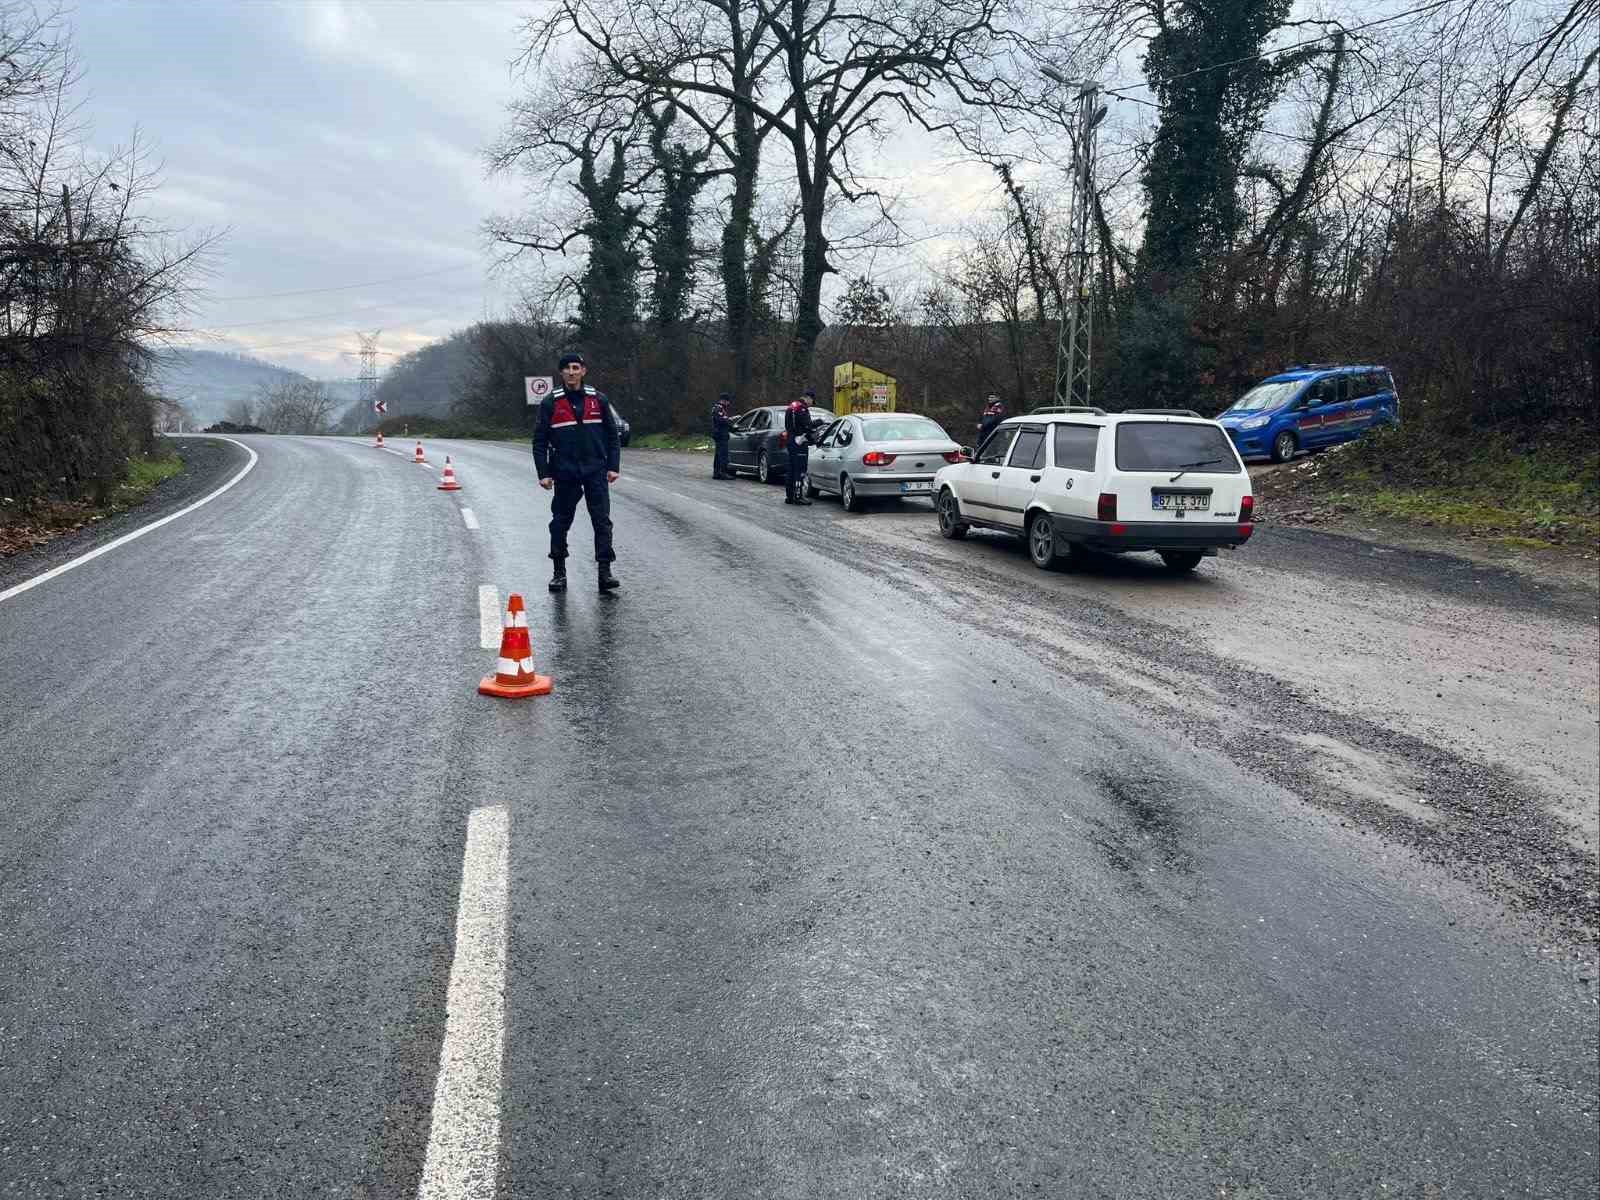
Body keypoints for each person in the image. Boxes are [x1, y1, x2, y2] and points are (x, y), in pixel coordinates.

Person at [532, 352, 622, 593]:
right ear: (561, 373)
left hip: (595, 469)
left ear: (583, 371)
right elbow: (539, 442)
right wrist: (543, 473)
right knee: (560, 522)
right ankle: (559, 573)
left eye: (575, 367)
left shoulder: (598, 399)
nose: (571, 372)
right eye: (567, 368)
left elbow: (612, 436)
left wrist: (613, 466)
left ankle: (605, 573)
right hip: (565, 471)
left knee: (602, 521)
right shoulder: (550, 403)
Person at [784, 388, 820, 505]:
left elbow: (789, 425)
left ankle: (790, 496)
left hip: (791, 440)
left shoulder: (792, 406)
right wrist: (818, 422)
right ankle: (798, 496)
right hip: (799, 442)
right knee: (800, 469)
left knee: (791, 469)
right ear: (808, 398)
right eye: (812, 401)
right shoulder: (802, 408)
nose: (811, 404)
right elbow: (808, 426)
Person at [711, 393, 736, 479]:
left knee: (718, 454)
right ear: (724, 400)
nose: (729, 403)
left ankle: (716, 473)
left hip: (718, 434)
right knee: (723, 454)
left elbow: (723, 420)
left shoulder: (717, 408)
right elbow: (722, 421)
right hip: (721, 434)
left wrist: (729, 424)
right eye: (728, 401)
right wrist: (732, 427)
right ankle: (723, 473)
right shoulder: (719, 408)